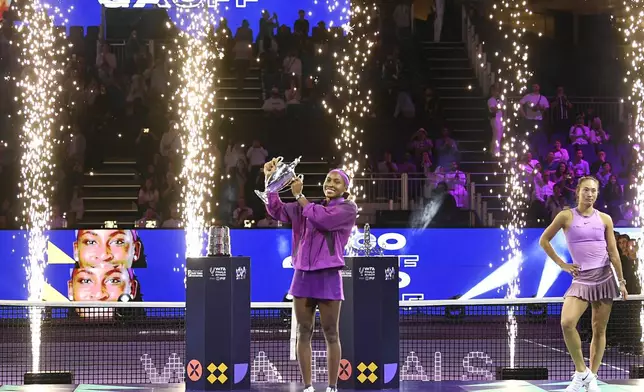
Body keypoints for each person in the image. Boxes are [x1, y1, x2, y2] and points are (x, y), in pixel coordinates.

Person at [263, 158, 357, 392]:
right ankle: (308, 387)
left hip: (328, 277)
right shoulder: (305, 207)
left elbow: (323, 219)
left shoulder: (347, 208)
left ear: (345, 189)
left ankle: (332, 387)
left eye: (337, 181)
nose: (331, 183)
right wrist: (271, 180)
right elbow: (276, 210)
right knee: (303, 331)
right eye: (328, 179)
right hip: (302, 276)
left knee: (331, 333)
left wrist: (299, 197)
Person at [539, 176, 628, 392]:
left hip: (604, 277)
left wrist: (622, 281)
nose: (590, 194)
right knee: (567, 322)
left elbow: (614, 253)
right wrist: (562, 264)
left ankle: (592, 378)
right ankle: (582, 372)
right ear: (578, 191)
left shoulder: (605, 219)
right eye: (586, 190)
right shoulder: (565, 216)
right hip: (581, 279)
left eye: (594, 191)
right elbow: (544, 240)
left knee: (599, 329)